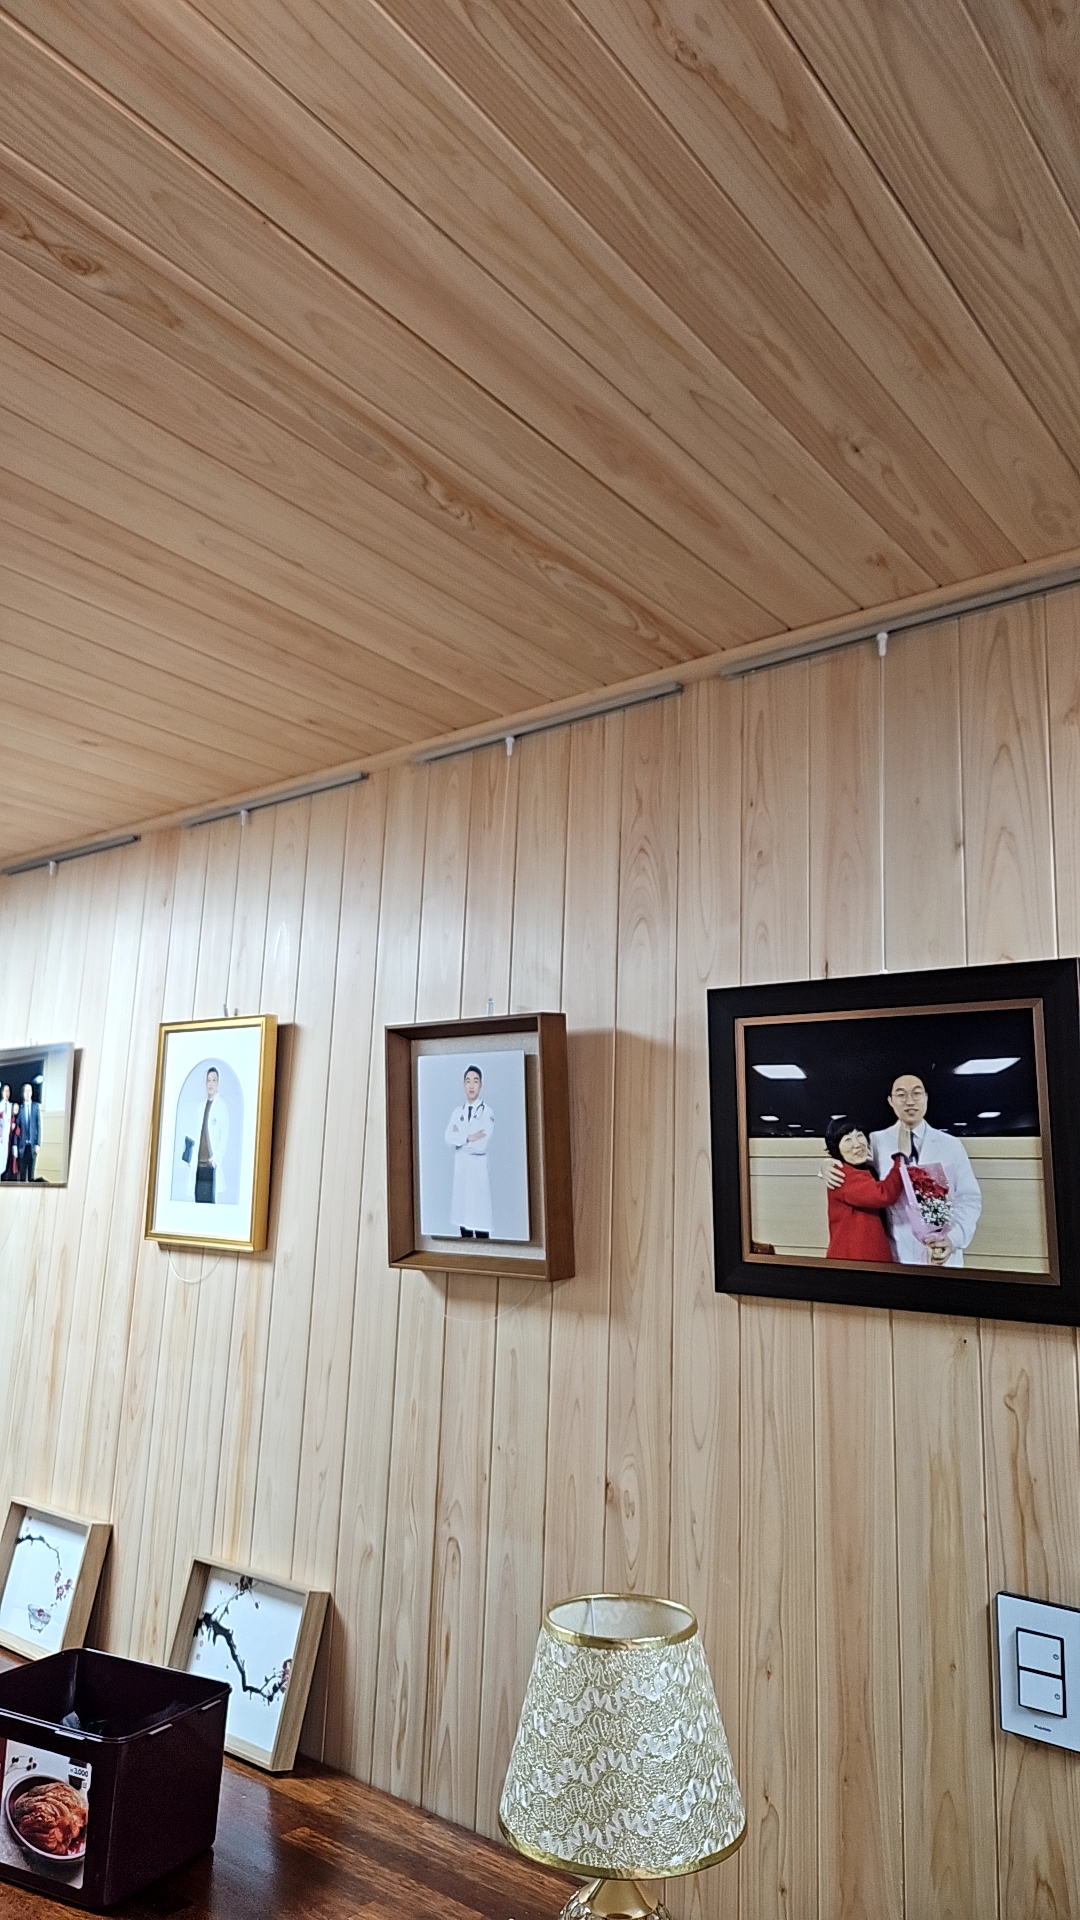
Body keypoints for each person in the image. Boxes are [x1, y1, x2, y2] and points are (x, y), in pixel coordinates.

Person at [826, 1071, 982, 1266]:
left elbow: (968, 1198)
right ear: (891, 1101)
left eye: (916, 1093)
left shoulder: (951, 1145)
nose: (910, 1101)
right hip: (897, 1253)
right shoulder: (876, 1141)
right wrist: (827, 1166)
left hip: (942, 1252)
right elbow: (853, 1168)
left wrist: (953, 1239)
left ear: (926, 1097)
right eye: (901, 1095)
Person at [823, 1117, 907, 1261]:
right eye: (847, 1139)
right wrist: (901, 1158)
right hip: (854, 1260)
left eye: (860, 1135)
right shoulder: (842, 1174)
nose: (857, 1144)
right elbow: (884, 1195)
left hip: (863, 1258)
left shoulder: (865, 1169)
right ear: (836, 1147)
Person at [444, 1065, 494, 1238]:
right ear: (463, 1085)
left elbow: (481, 1145)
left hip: (477, 1178)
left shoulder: (487, 1112)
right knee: (464, 1229)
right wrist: (468, 1137)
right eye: (468, 1081)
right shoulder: (457, 1112)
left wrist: (460, 1138)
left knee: (480, 1228)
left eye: (475, 1081)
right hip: (462, 1176)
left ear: (481, 1085)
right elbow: (448, 1137)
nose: (471, 1085)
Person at [188, 1066, 229, 1204]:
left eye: (214, 1080)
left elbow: (224, 1135)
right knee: (197, 1202)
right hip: (198, 1165)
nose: (211, 1083)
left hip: (210, 1165)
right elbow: (196, 1133)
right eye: (208, 1080)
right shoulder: (201, 1106)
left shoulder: (221, 1107)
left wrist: (217, 1159)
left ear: (218, 1083)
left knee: (209, 1204)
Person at [16, 1083, 40, 1182]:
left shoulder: (35, 1107)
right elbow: (17, 1127)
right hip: (22, 1146)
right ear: (23, 1093)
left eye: (29, 1091)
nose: (27, 1093)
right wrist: (15, 1145)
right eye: (25, 1091)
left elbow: (38, 1126)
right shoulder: (20, 1108)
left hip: (32, 1146)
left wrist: (38, 1143)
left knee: (31, 1175)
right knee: (22, 1174)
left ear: (32, 1092)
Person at [0, 1086, 12, 1182]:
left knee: (5, 1161)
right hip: (0, 1138)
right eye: (5, 1091)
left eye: (8, 1091)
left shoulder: (11, 1106)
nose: (7, 1093)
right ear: (2, 1092)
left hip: (8, 1138)